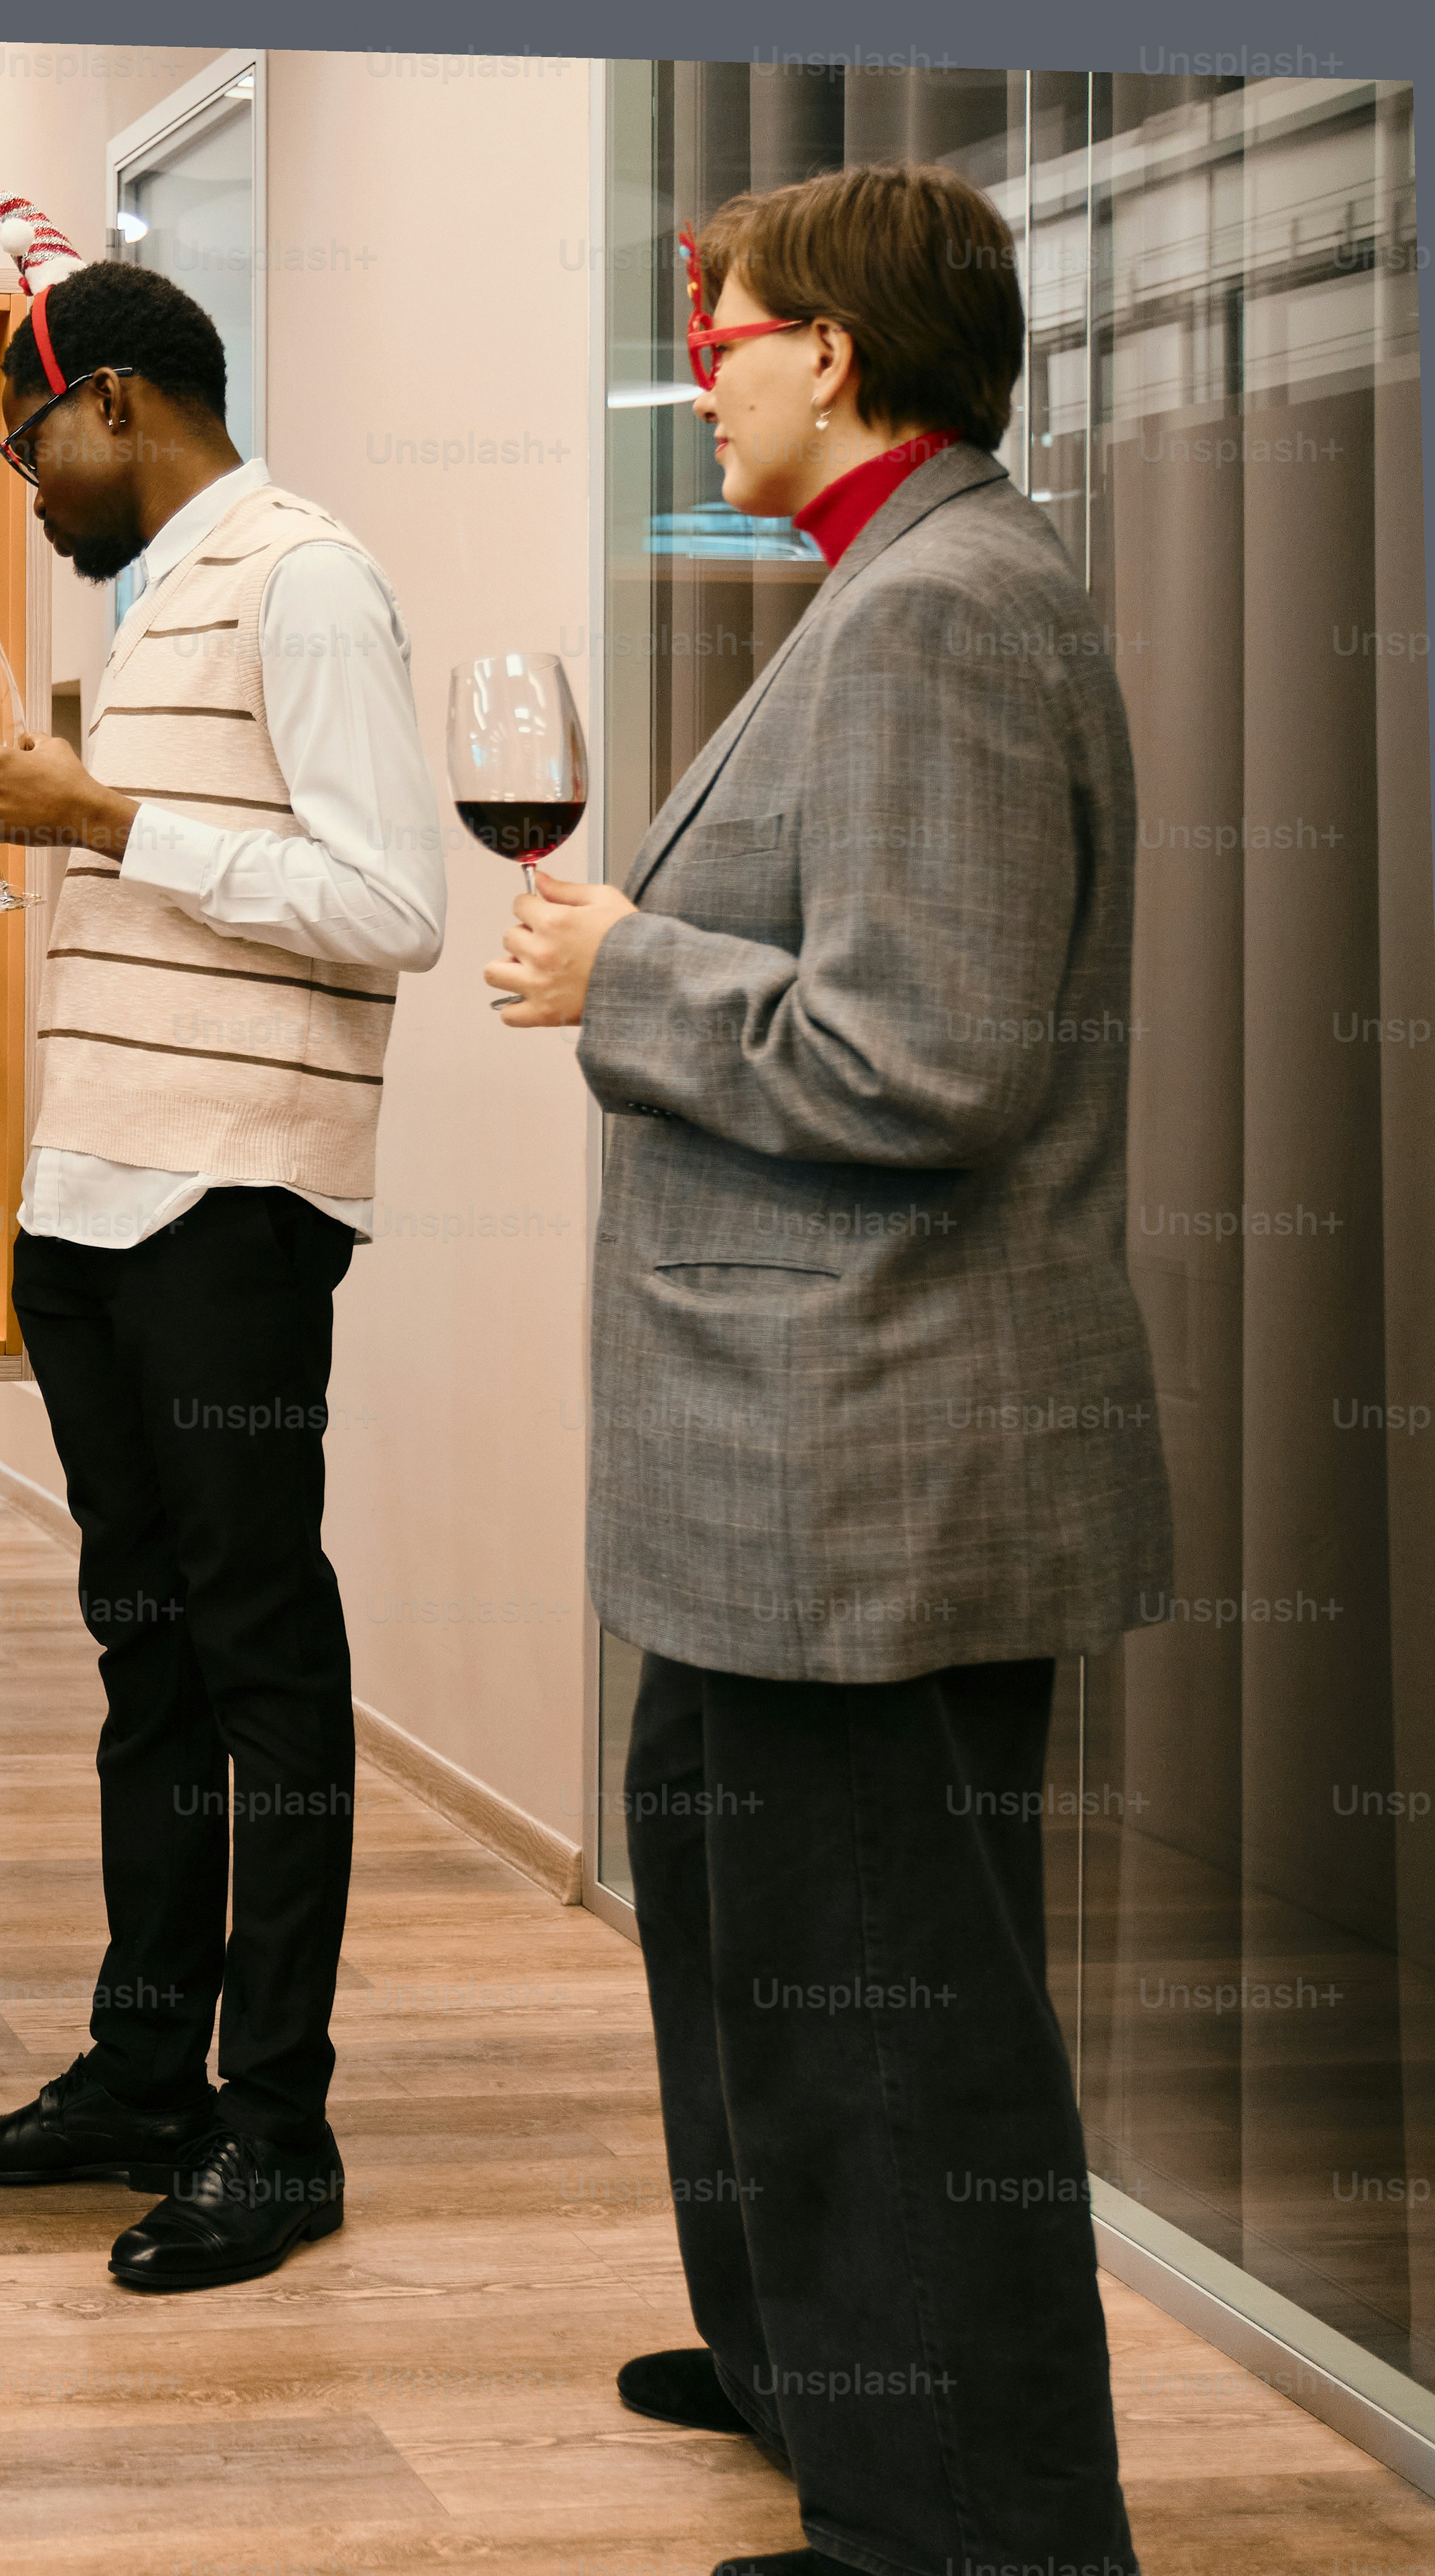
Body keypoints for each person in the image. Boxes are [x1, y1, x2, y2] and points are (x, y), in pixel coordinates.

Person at [486, 164, 1164, 2576]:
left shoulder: (936, 614)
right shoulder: (902, 585)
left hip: (866, 1471)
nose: (707, 364)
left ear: (841, 355)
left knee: (891, 2027)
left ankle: (965, 2526)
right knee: (748, 1934)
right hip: (797, 1466)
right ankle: (808, 2354)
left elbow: (924, 1053)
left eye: (731, 326)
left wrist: (617, 973)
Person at [0, 197, 445, 2293]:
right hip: (95, 1196)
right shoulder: (155, 608)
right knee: (145, 1649)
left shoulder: (305, 578)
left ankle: (275, 2124)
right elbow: (221, 886)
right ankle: (142, 2072)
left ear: (112, 399)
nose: (25, 494)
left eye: (34, 451)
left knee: (257, 1659)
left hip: (232, 1200)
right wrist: (81, 823)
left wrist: (103, 815)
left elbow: (395, 900)